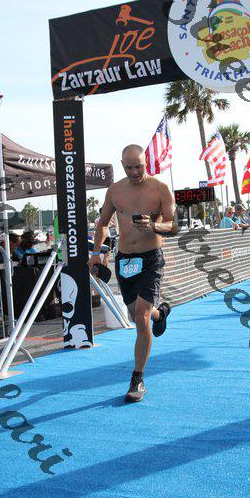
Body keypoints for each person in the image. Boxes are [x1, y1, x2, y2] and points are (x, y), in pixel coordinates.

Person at [88, 144, 175, 403]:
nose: (135, 171)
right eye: (129, 167)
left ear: (146, 162)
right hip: (125, 259)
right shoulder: (115, 190)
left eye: (139, 166)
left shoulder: (160, 188)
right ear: (122, 165)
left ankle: (137, 379)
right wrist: (96, 252)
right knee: (135, 315)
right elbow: (103, 224)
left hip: (151, 259)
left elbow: (173, 226)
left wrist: (154, 226)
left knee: (141, 316)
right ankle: (161, 313)